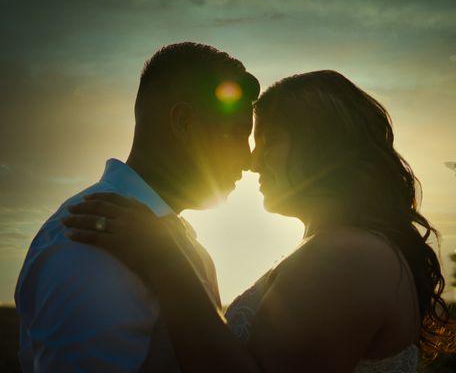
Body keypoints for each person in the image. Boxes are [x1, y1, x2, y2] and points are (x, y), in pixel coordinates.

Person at [64, 70, 455, 372]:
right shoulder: (348, 248)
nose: (252, 161)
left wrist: (166, 260)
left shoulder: (350, 256)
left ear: (319, 145)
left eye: (268, 140)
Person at [15, 42, 260, 372]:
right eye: (237, 134)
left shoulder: (165, 239)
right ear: (184, 122)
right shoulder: (89, 241)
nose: (248, 159)